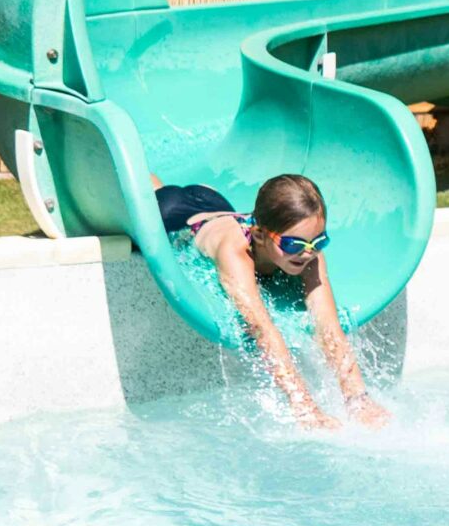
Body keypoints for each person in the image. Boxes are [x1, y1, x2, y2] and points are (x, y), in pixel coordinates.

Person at [152, 172, 388, 430]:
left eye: (319, 241)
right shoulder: (234, 251)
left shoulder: (308, 250)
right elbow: (260, 328)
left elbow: (328, 326)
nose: (307, 253)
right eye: (293, 244)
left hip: (214, 202)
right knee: (151, 187)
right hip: (172, 213)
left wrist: (358, 399)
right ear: (260, 236)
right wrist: (304, 405)